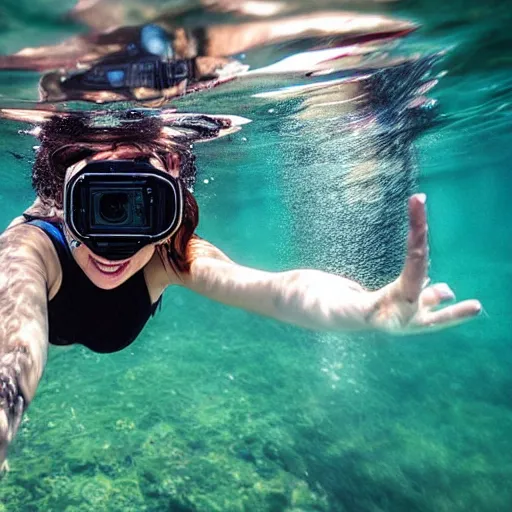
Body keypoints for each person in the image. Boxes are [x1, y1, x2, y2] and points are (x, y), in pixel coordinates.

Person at [0, 109, 481, 472]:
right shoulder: (31, 250)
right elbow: (14, 346)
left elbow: (272, 290)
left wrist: (363, 308)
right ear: (62, 201)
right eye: (98, 205)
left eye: (140, 209)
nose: (114, 247)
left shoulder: (167, 254)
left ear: (169, 204)